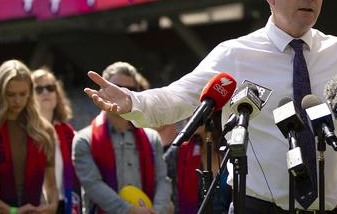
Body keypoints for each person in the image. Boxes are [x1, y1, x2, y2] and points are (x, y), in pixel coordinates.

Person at [83, 0, 337, 213]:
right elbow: (180, 98)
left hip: (330, 208)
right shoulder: (235, 54)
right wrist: (133, 101)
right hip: (257, 208)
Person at [72, 62, 171, 214]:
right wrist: (130, 211)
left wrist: (157, 211)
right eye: (115, 86)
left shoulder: (152, 138)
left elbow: (162, 181)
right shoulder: (84, 139)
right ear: (101, 90)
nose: (121, 93)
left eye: (130, 90)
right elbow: (93, 185)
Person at [0, 60, 59, 214]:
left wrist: (52, 205)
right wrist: (11, 211)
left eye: (23, 94)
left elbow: (51, 183)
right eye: (10, 94)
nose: (17, 101)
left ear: (30, 92)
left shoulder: (44, 130)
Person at [33, 68, 81, 214]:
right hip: (37, 205)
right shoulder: (22, 133)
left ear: (57, 94)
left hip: (67, 203)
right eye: (39, 89)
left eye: (50, 88)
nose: (46, 92)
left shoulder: (70, 134)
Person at [164, 113, 231, 214]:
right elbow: (158, 176)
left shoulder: (231, 149)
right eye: (188, 114)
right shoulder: (181, 151)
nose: (189, 117)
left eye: (195, 111)